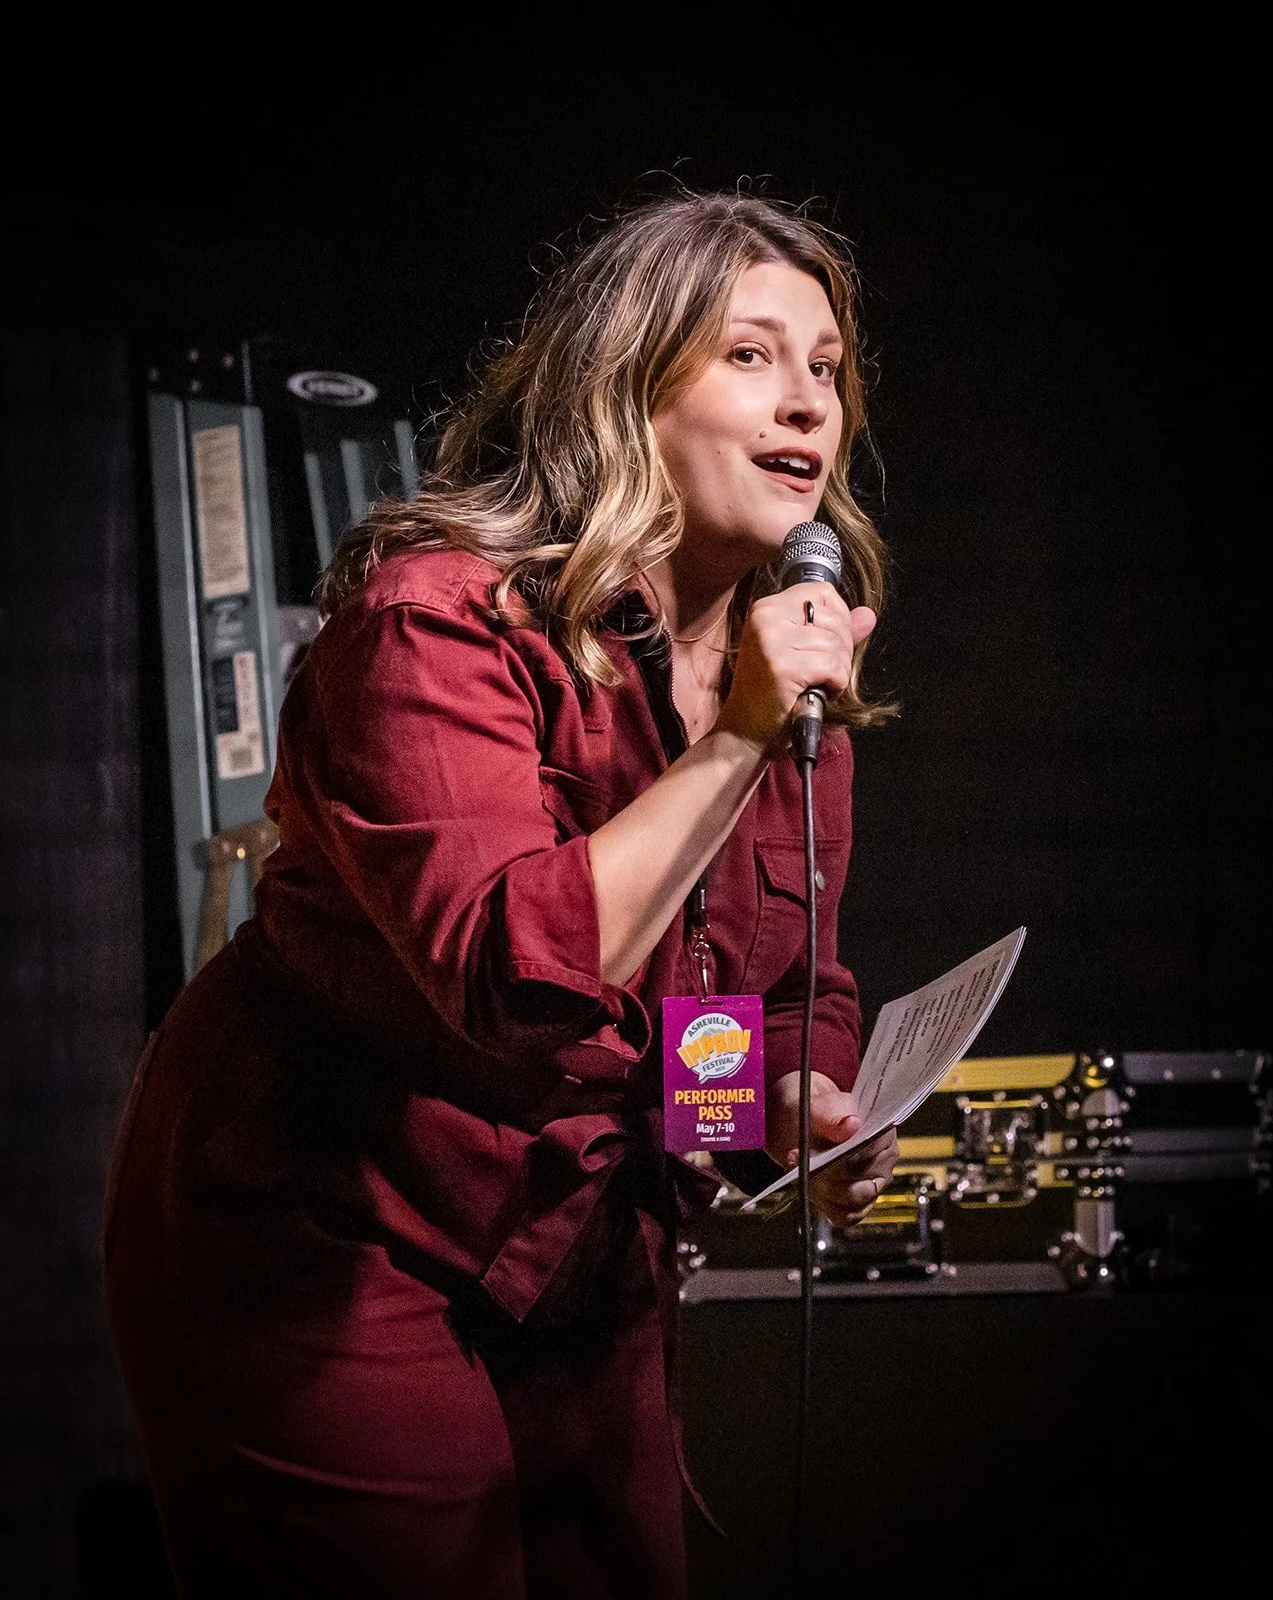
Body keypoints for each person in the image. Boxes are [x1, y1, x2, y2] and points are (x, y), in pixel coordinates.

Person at [102, 187, 901, 1599]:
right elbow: (511, 971)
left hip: (577, 1253)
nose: (807, 403)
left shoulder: (791, 678)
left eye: (827, 368)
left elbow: (772, 994)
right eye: (750, 355)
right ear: (625, 388)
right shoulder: (438, 622)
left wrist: (772, 1108)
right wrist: (729, 743)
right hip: (327, 1232)